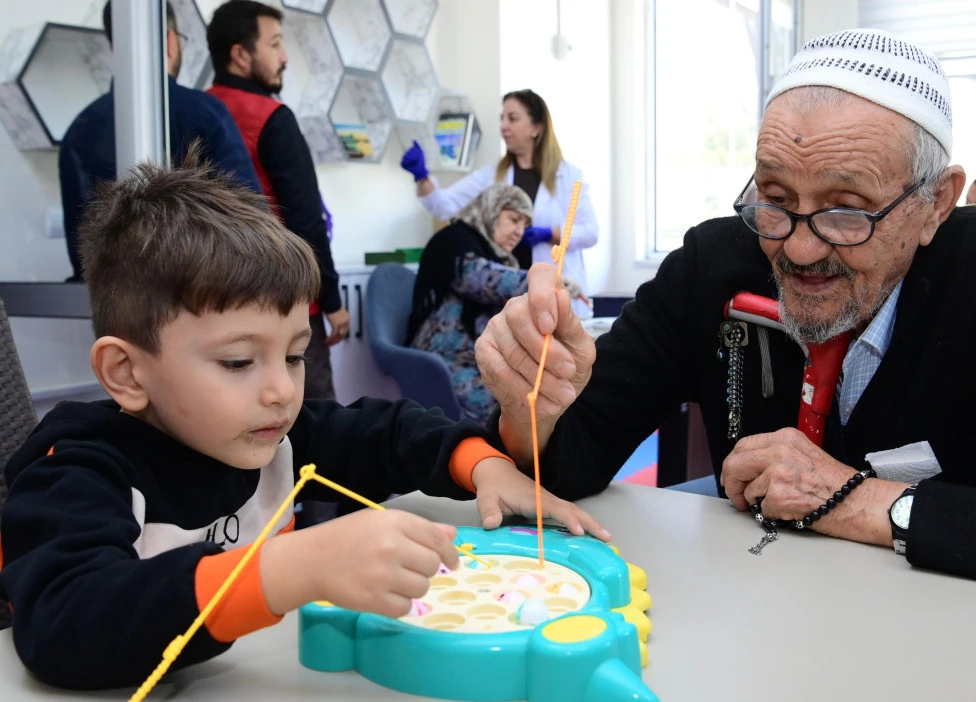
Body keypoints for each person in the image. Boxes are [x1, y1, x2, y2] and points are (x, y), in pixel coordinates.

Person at [475, 29, 976, 606]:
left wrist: (860, 502)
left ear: (936, 204)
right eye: (774, 197)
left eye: (847, 209)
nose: (798, 247)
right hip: (760, 626)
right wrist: (530, 406)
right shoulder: (714, 264)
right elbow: (566, 467)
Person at [0, 153, 606, 690]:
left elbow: (390, 433)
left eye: (293, 356)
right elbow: (63, 621)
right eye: (238, 362)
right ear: (127, 374)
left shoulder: (276, 435)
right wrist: (291, 568)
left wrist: (484, 465)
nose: (282, 390)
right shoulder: (75, 475)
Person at [205, 0, 350, 403]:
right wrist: (333, 301)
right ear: (240, 54)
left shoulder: (198, 112)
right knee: (314, 418)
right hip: (286, 303)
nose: (284, 57)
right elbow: (305, 221)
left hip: (217, 305)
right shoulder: (272, 118)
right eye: (274, 44)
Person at [58, 0, 260, 282]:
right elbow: (252, 223)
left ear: (115, 47)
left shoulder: (78, 132)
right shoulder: (205, 113)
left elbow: (81, 253)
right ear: (170, 42)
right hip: (204, 294)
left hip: (113, 302)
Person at [400, 89, 599, 318]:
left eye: (512, 118)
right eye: (502, 119)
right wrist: (422, 176)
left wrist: (549, 234)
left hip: (555, 289)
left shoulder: (569, 176)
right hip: (507, 293)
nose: (504, 126)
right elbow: (444, 206)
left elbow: (591, 232)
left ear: (537, 127)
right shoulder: (492, 175)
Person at [408, 184, 584, 424]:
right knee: (520, 403)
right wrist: (547, 281)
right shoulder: (453, 240)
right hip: (444, 359)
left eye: (525, 225)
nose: (519, 232)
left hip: (477, 356)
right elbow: (483, 279)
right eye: (514, 220)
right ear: (491, 210)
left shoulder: (493, 252)